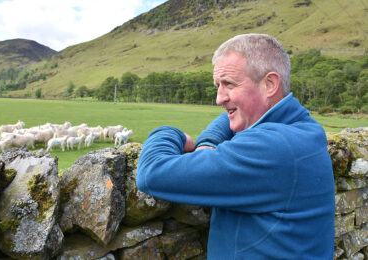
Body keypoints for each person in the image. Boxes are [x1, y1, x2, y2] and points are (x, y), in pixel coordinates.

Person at [136, 33, 335, 259]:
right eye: (218, 85)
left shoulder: (271, 147)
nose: (219, 98)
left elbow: (152, 172)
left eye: (229, 84)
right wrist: (208, 143)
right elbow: (235, 120)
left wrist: (170, 133)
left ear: (270, 84)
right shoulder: (302, 128)